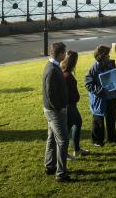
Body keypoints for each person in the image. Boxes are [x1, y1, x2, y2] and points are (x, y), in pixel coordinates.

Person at [42, 42, 71, 182]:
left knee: (52, 138)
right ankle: (61, 174)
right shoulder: (53, 70)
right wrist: (60, 108)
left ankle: (50, 166)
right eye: (64, 53)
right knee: (63, 141)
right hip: (55, 112)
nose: (66, 55)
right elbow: (50, 94)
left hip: (50, 110)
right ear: (60, 54)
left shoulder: (52, 66)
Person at [84, 45, 116, 146]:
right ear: (101, 57)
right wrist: (101, 91)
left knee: (111, 118)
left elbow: (114, 77)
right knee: (98, 120)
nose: (109, 57)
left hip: (111, 97)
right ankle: (97, 141)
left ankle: (112, 138)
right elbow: (89, 85)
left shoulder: (111, 64)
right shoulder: (93, 69)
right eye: (107, 56)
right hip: (100, 99)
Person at [61, 50, 90, 159]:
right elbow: (70, 93)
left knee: (74, 124)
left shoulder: (63, 72)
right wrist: (76, 97)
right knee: (72, 126)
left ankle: (74, 150)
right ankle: (69, 152)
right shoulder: (67, 75)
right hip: (70, 105)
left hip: (69, 105)